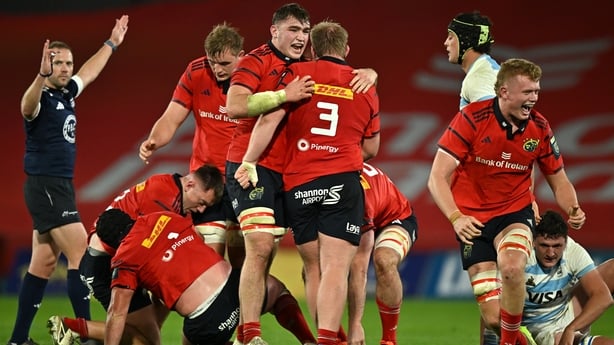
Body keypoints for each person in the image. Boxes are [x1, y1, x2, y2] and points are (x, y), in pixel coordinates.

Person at [225, 4, 377, 344]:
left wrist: (370, 73)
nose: (300, 37)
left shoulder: (305, 68)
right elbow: (235, 105)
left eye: (305, 31)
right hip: (254, 164)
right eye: (293, 29)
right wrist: (282, 94)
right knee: (261, 244)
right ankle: (250, 335)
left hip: (291, 173)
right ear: (274, 30)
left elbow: (340, 72)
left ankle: (317, 336)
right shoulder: (256, 60)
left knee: (279, 251)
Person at [427, 58, 586, 345]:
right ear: (504, 92)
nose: (534, 98)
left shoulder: (540, 127)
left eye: (536, 91)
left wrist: (572, 206)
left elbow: (558, 178)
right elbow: (436, 177)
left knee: (513, 267)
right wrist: (456, 217)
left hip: (515, 212)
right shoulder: (471, 119)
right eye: (527, 92)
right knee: (491, 318)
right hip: (472, 221)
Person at [8, 15, 129, 345]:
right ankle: (89, 336)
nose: (64, 68)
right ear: (47, 65)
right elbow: (25, 106)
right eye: (57, 63)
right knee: (82, 256)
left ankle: (18, 340)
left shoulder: (66, 94)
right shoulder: (42, 98)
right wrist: (39, 76)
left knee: (44, 264)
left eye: (67, 63)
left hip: (56, 187)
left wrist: (111, 43)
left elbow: (88, 73)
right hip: (46, 186)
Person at [48, 165, 225, 345]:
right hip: (105, 264)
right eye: (202, 202)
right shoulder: (162, 197)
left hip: (114, 257)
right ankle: (73, 328)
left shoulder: (170, 192)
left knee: (147, 336)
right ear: (189, 184)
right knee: (145, 339)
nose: (201, 210)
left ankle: (84, 335)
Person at [96, 209, 315, 345]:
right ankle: (308, 341)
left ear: (111, 244)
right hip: (235, 287)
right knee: (278, 292)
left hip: (207, 318)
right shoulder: (162, 217)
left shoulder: (124, 259)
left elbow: (117, 313)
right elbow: (198, 236)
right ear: (130, 218)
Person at [138, 23, 245, 266]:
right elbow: (172, 116)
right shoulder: (196, 72)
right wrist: (155, 140)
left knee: (241, 262)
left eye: (225, 64)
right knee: (210, 260)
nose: (217, 69)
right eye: (212, 62)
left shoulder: (256, 76)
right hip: (207, 181)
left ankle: (242, 305)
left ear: (241, 56)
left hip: (243, 178)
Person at [347, 162, 418, 345]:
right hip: (362, 214)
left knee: (384, 260)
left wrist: (355, 325)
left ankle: (389, 340)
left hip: (395, 219)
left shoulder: (358, 192)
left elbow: (359, 266)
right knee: (315, 270)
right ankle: (335, 338)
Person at [523, 210, 614, 345]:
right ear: (534, 242)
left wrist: (571, 328)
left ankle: (574, 332)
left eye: (557, 246)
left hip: (569, 307)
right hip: (544, 328)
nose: (551, 253)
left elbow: (603, 297)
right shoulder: (522, 256)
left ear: (565, 242)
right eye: (544, 245)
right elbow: (493, 304)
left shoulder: (571, 249)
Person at [445, 11, 499, 109]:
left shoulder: (480, 77)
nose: (445, 43)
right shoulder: (486, 69)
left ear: (465, 41)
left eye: (450, 37)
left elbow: (492, 120)